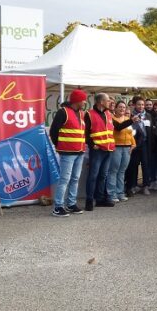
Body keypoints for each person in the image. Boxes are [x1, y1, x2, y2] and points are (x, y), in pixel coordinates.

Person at [49, 89, 88, 217]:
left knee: (75, 178)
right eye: (83, 100)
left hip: (79, 151)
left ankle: (71, 204)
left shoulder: (81, 114)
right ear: (77, 100)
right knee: (65, 179)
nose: (85, 102)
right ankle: (58, 207)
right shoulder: (63, 112)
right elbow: (53, 131)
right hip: (67, 152)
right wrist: (59, 146)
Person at [84, 93, 116, 211]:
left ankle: (100, 199)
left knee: (103, 175)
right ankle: (89, 200)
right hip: (97, 150)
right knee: (93, 176)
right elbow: (85, 133)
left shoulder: (108, 114)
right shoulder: (89, 114)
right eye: (108, 101)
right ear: (101, 102)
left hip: (108, 149)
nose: (110, 103)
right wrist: (92, 145)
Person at [107, 101, 136, 202]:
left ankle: (120, 193)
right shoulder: (112, 119)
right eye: (120, 107)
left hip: (127, 147)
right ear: (115, 108)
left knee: (122, 171)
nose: (122, 109)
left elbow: (130, 134)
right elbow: (118, 128)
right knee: (113, 170)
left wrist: (133, 144)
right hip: (116, 147)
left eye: (124, 107)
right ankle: (112, 194)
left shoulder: (127, 119)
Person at [127, 96, 152, 195]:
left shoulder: (148, 116)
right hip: (135, 143)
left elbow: (151, 131)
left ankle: (146, 186)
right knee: (134, 165)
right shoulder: (131, 116)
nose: (141, 106)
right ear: (134, 105)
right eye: (139, 104)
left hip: (146, 143)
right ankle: (134, 185)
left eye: (142, 104)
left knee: (146, 165)